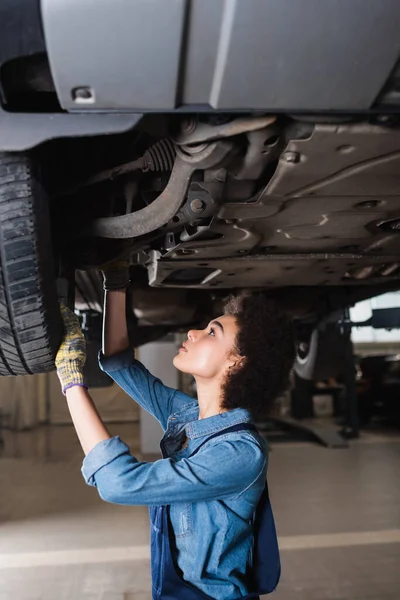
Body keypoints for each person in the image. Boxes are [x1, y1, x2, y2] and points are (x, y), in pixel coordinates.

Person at [55, 262, 295, 600]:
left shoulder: (239, 453)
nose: (193, 333)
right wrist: (116, 280)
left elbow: (118, 483)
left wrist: (70, 380)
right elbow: (118, 363)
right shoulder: (186, 414)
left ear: (237, 362)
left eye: (213, 333)